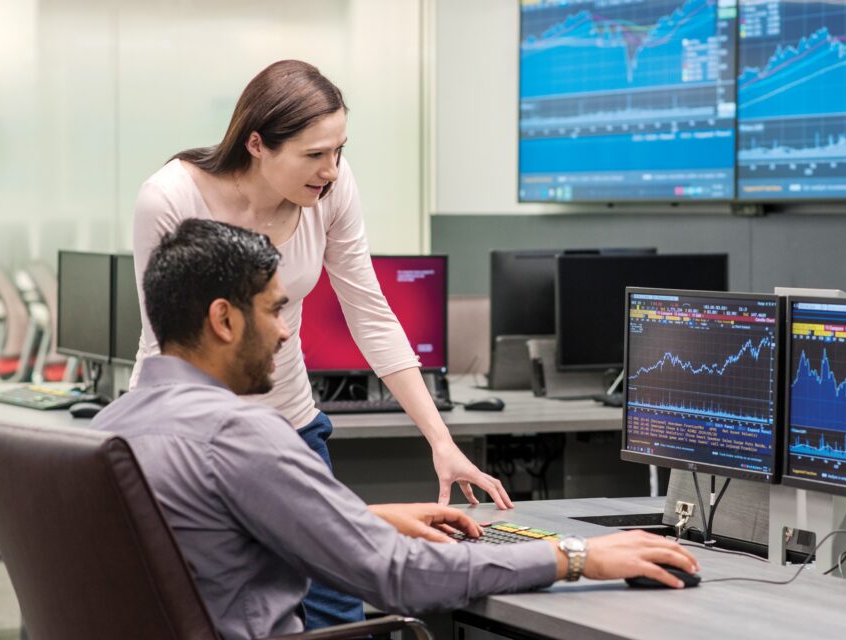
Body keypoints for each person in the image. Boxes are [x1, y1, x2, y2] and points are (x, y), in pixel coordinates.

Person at [90, 219, 700, 640]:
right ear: (223, 320)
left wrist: (365, 519)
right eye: (275, 309)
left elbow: (205, 536)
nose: (285, 331)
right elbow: (401, 577)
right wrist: (574, 555)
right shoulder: (242, 433)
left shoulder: (109, 428)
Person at [130, 59, 509, 627]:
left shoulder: (329, 187)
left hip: (290, 424)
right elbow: (171, 341)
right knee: (215, 610)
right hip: (191, 440)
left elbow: (369, 311)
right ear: (256, 143)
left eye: (339, 151)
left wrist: (440, 439)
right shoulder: (171, 197)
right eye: (313, 155)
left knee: (337, 611)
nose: (330, 169)